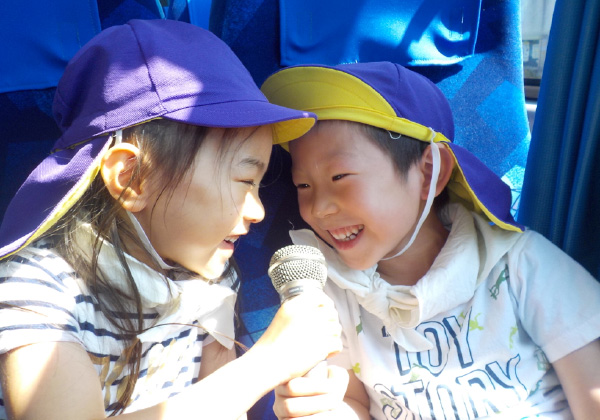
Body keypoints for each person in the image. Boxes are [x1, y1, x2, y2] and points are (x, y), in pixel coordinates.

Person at [0, 19, 343, 420]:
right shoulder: (39, 290)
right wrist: (264, 366)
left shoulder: (211, 277)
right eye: (243, 181)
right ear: (132, 178)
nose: (259, 211)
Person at [261, 62, 600, 419]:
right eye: (303, 185)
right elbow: (354, 403)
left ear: (427, 174)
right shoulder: (331, 290)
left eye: (339, 176)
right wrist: (323, 407)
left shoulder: (522, 264)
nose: (319, 208)